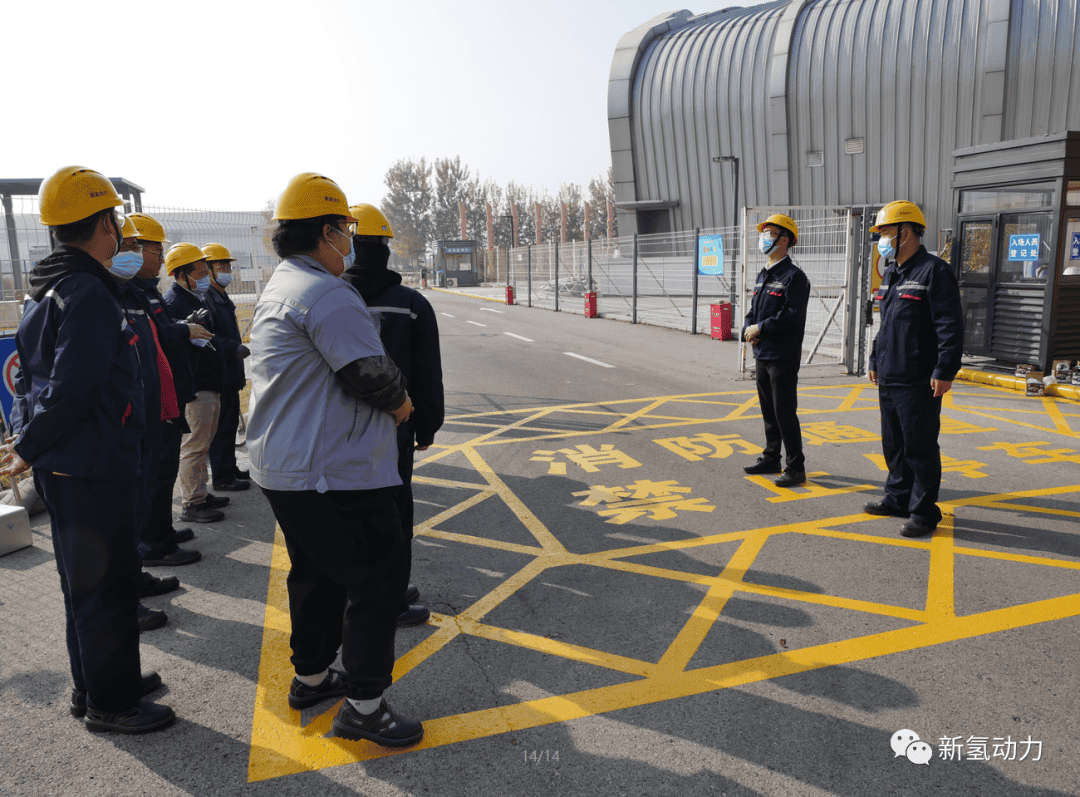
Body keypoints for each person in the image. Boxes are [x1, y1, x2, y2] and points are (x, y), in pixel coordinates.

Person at [247, 172, 422, 747]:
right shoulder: (326, 292)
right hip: (329, 471)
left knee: (317, 573)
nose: (350, 241)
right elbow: (370, 373)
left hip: (288, 466)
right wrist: (403, 408)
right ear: (325, 232)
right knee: (377, 578)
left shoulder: (282, 285)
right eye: (345, 230)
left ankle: (312, 676)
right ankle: (365, 709)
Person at [0, 166, 173, 733]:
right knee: (109, 584)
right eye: (116, 220)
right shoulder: (89, 295)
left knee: (86, 583)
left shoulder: (46, 290)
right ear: (102, 223)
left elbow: (29, 383)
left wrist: (32, 446)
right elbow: (73, 389)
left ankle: (97, 682)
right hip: (93, 464)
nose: (120, 231)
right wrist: (29, 446)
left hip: (68, 464)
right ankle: (112, 701)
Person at [342, 203, 444, 628]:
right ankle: (393, 598)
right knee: (395, 515)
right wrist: (427, 425)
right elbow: (426, 374)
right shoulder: (410, 303)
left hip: (340, 429)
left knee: (353, 515)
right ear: (385, 248)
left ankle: (362, 589)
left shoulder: (329, 301)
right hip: (395, 427)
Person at [110, 219, 201, 634]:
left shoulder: (138, 295)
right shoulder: (101, 295)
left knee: (155, 480)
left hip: (155, 409)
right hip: (123, 426)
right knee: (128, 505)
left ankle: (150, 551)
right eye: (149, 248)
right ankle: (146, 555)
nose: (159, 258)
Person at [866, 201, 964, 538]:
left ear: (906, 233)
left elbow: (950, 325)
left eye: (885, 233)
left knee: (919, 446)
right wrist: (875, 360)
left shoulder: (934, 271)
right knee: (893, 442)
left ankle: (924, 512)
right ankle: (897, 498)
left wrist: (945, 369)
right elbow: (885, 325)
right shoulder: (893, 272)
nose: (881, 240)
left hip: (919, 377)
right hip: (890, 373)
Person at [741, 213, 810, 488]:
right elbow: (753, 311)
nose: (764, 237)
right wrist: (750, 328)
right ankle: (771, 457)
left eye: (770, 233)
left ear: (785, 241)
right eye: (764, 232)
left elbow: (790, 315)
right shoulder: (764, 273)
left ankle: (796, 467)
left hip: (782, 355)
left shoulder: (794, 277)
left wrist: (762, 328)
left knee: (784, 412)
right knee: (768, 411)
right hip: (762, 354)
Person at [164, 244, 230, 524]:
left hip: (208, 379)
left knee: (204, 443)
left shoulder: (196, 298)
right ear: (181, 275)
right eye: (200, 273)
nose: (206, 278)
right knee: (194, 445)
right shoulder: (174, 303)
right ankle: (192, 503)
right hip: (195, 383)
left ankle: (201, 492)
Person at [200, 243, 251, 492]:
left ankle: (230, 468)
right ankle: (221, 476)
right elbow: (208, 335)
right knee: (221, 428)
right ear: (208, 269)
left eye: (228, 266)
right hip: (220, 371)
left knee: (230, 423)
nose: (226, 270)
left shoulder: (220, 294)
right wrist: (233, 348)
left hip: (230, 371)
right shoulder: (206, 297)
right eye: (221, 266)